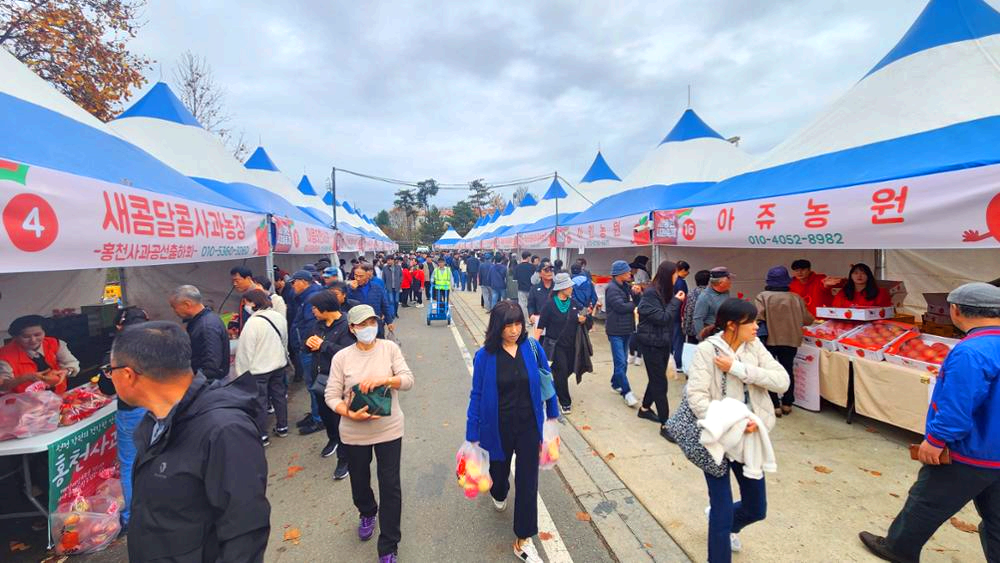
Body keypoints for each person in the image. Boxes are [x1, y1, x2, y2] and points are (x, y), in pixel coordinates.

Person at [860, 282, 1000, 563]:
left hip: (971, 451)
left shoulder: (970, 351)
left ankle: (898, 549)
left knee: (926, 501)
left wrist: (936, 440)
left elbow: (957, 405)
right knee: (997, 517)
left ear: (956, 310)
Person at [108, 321, 270, 562]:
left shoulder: (224, 430)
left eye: (109, 371)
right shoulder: (156, 422)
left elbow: (245, 532)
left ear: (128, 375)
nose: (109, 378)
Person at [688, 298, 789, 563]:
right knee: (721, 511)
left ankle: (732, 524)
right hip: (717, 440)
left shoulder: (754, 346)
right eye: (751, 322)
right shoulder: (707, 351)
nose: (757, 326)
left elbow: (782, 381)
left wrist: (737, 368)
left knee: (757, 509)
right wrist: (735, 423)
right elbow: (697, 398)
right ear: (732, 325)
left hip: (750, 441)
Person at [467, 300, 559, 563]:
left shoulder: (532, 347)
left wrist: (552, 413)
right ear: (497, 327)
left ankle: (523, 537)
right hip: (497, 427)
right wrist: (472, 432)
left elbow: (546, 380)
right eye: (508, 325)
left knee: (528, 482)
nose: (515, 330)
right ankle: (498, 491)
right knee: (498, 473)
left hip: (529, 425)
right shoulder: (484, 356)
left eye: (518, 324)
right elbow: (477, 394)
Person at [325, 305, 414, 563]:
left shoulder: (389, 349)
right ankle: (366, 511)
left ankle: (389, 545)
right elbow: (331, 395)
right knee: (360, 482)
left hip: (389, 429)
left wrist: (386, 380)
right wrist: (348, 413)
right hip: (354, 432)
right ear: (352, 329)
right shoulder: (342, 357)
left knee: (390, 486)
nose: (368, 328)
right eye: (362, 325)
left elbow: (408, 380)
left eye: (372, 322)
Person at [96, 307, 148, 530]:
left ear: (119, 326)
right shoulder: (160, 345)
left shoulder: (113, 352)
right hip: (161, 406)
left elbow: (106, 388)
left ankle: (132, 518)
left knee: (130, 465)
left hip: (131, 410)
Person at [304, 291, 353, 480]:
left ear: (326, 309)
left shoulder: (347, 326)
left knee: (340, 421)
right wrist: (308, 344)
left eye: (315, 309)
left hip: (339, 382)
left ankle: (344, 459)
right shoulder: (317, 325)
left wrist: (323, 345)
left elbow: (349, 353)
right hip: (319, 380)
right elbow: (306, 345)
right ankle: (332, 439)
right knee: (326, 416)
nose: (313, 312)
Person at [754, 266, 813, 417]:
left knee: (770, 371)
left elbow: (758, 317)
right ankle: (787, 403)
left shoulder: (763, 296)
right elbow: (808, 319)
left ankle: (775, 405)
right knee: (787, 369)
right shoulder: (795, 297)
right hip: (791, 339)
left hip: (770, 340)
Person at [235, 289, 290, 446]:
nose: (245, 306)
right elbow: (284, 340)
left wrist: (241, 374)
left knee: (260, 402)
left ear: (253, 303)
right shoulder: (278, 316)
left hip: (259, 370)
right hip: (278, 364)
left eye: (246, 302)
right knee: (279, 397)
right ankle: (283, 427)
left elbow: (245, 351)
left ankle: (262, 435)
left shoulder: (252, 323)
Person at [636, 261, 685, 424]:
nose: (677, 277)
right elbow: (662, 318)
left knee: (656, 378)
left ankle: (644, 409)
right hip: (651, 344)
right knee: (660, 383)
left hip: (662, 342)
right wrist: (676, 302)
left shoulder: (664, 291)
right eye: (675, 274)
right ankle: (666, 424)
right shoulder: (651, 293)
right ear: (668, 275)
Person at [535, 273, 592, 414]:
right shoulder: (549, 305)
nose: (572, 287)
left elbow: (583, 314)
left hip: (572, 344)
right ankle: (565, 401)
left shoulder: (573, 303)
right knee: (561, 371)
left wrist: (584, 318)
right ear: (562, 288)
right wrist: (534, 345)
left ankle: (557, 384)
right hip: (556, 345)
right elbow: (540, 326)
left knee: (571, 368)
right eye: (569, 286)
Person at [0, 315, 79, 393]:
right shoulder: (4, 355)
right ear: (15, 337)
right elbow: (3, 386)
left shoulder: (55, 343)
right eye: (26, 336)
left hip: (57, 395)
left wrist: (66, 371)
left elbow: (71, 363)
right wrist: (25, 378)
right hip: (24, 401)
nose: (33, 340)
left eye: (37, 335)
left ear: (44, 332)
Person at [289, 271, 325, 434]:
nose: (292, 286)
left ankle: (319, 419)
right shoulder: (306, 297)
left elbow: (312, 326)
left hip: (310, 348)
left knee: (314, 384)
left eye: (294, 282)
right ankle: (316, 414)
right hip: (306, 346)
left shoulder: (312, 299)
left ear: (304, 282)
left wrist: (304, 344)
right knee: (311, 384)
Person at [169, 285, 229, 380]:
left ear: (187, 304)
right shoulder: (201, 321)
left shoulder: (207, 326)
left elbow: (211, 367)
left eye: (174, 307)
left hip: (209, 386)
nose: (174, 311)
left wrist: (187, 379)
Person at [605, 260, 643, 407]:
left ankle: (615, 382)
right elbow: (621, 307)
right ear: (619, 274)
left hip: (627, 328)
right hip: (615, 331)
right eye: (627, 272)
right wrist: (633, 303)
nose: (630, 274)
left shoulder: (626, 286)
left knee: (622, 362)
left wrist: (637, 294)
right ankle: (626, 392)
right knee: (620, 361)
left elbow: (636, 303)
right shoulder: (612, 289)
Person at [349, 263, 396, 338]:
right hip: (359, 326)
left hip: (376, 323)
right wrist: (351, 290)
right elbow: (346, 306)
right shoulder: (350, 289)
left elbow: (384, 305)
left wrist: (389, 322)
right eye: (356, 275)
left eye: (361, 276)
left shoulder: (376, 287)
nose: (358, 278)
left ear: (368, 275)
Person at [693, 267, 733, 341]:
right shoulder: (705, 297)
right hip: (713, 335)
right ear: (721, 283)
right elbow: (698, 319)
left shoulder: (726, 292)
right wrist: (702, 339)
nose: (731, 281)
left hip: (726, 333)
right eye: (729, 279)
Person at [682, 270, 712, 344]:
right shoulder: (710, 294)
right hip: (705, 331)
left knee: (692, 353)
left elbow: (687, 311)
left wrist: (686, 328)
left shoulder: (691, 293)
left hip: (691, 330)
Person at [672, 261, 691, 373]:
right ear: (682, 270)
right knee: (679, 339)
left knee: (672, 338)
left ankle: (672, 361)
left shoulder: (672, 280)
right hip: (678, 313)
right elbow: (682, 300)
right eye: (687, 271)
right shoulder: (681, 283)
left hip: (671, 312)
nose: (687, 273)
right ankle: (678, 363)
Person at [229, 266, 256, 336]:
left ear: (248, 278)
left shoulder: (259, 296)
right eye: (233, 281)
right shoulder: (245, 296)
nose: (234, 284)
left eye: (237, 280)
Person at [527, 263, 555, 331]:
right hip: (540, 322)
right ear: (540, 273)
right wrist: (531, 315)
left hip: (556, 323)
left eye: (551, 270)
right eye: (546, 270)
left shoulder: (557, 288)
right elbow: (531, 305)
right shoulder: (534, 289)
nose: (549, 272)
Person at [515, 251, 535, 321]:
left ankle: (525, 321)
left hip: (521, 289)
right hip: (531, 289)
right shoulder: (532, 267)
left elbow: (515, 278)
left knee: (522, 305)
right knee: (531, 305)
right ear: (528, 257)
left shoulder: (517, 267)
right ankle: (531, 320)